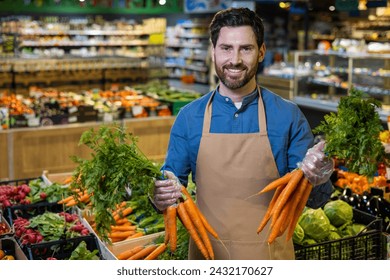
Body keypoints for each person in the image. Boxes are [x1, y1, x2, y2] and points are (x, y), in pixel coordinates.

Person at [153, 7, 334, 260]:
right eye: (226, 48)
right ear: (213, 50)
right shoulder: (189, 118)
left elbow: (312, 200)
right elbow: (172, 185)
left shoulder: (288, 117)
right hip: (208, 259)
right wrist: (160, 195)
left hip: (271, 258)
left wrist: (319, 177)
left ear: (261, 52)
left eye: (246, 48)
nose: (235, 59)